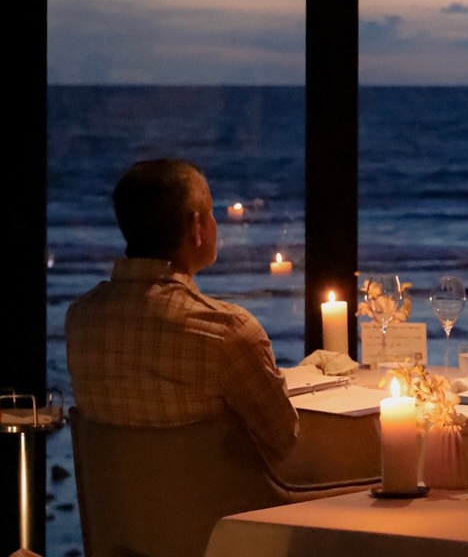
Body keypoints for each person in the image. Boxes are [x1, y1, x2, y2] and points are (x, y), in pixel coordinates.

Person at [65, 159, 298, 461]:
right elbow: (284, 439)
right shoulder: (228, 332)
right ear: (197, 228)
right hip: (226, 507)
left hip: (116, 506)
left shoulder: (81, 320)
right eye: (211, 213)